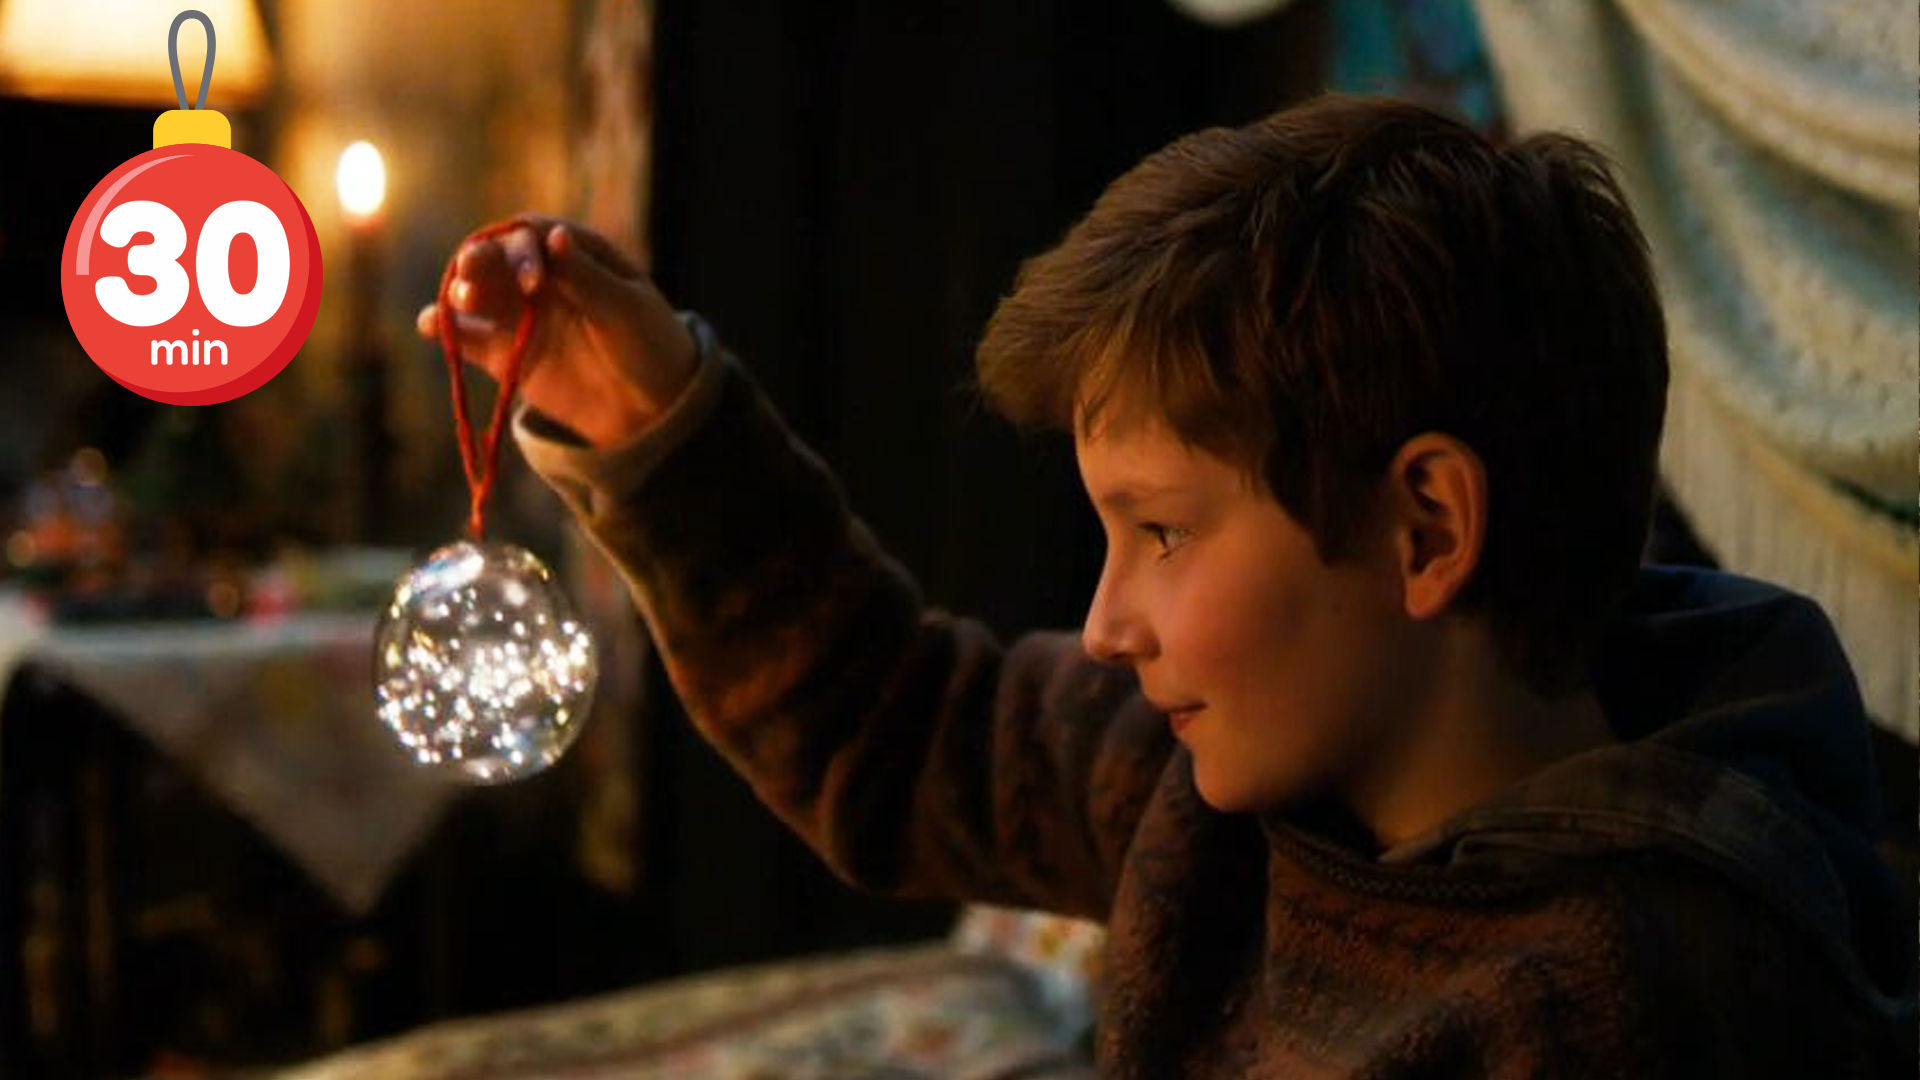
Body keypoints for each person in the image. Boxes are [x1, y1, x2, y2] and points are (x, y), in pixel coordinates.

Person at [417, 95, 1916, 1076]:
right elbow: (903, 728)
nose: (1103, 626)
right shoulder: (1215, 792)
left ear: (1425, 529)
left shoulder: (1623, 1010)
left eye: (1162, 532)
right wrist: (653, 418)